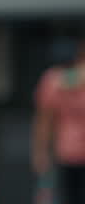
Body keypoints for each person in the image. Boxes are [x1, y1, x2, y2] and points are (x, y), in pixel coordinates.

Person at [34, 39, 85, 203]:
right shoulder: (53, 81)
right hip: (66, 153)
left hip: (65, 151)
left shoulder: (52, 80)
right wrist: (41, 152)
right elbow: (45, 120)